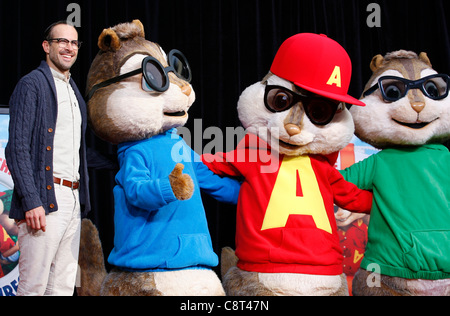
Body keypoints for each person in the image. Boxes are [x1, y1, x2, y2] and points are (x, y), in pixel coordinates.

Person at [5, 21, 90, 296]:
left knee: (62, 288)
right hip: (45, 199)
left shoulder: (74, 91)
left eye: (74, 43)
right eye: (62, 41)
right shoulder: (31, 85)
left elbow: (77, 150)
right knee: (33, 288)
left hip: (73, 199)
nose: (69, 47)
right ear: (47, 46)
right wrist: (31, 201)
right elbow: (17, 148)